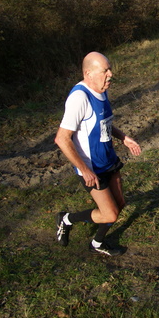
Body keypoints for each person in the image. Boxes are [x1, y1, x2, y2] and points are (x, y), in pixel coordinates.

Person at [54, 52, 141, 256]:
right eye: (105, 71)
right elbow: (61, 139)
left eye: (110, 69)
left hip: (109, 160)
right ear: (88, 73)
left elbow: (103, 123)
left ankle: (97, 243)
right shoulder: (79, 98)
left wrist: (123, 137)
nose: (110, 74)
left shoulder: (101, 89)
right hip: (91, 168)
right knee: (109, 213)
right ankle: (66, 219)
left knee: (119, 204)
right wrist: (84, 170)